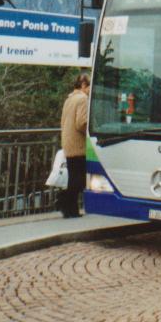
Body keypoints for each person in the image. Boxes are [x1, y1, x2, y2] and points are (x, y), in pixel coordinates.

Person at [59, 72, 90, 218]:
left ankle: (70, 210)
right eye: (90, 86)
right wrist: (89, 134)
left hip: (68, 142)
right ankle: (64, 202)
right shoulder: (83, 99)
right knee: (80, 179)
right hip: (79, 144)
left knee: (74, 177)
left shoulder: (69, 99)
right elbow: (81, 122)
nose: (91, 90)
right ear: (84, 85)